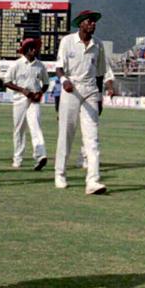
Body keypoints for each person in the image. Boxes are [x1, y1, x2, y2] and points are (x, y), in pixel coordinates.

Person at [54, 10, 115, 195]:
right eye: (89, 21)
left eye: (94, 22)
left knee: (92, 138)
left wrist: (108, 88)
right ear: (80, 24)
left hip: (90, 91)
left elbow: (103, 72)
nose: (93, 24)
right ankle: (60, 173)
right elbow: (59, 68)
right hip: (71, 89)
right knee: (67, 134)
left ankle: (93, 181)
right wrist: (64, 81)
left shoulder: (98, 45)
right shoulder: (67, 41)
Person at [0, 37, 49, 171]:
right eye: (33, 48)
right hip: (19, 100)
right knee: (19, 130)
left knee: (35, 127)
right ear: (27, 50)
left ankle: (40, 156)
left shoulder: (40, 65)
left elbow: (46, 83)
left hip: (34, 101)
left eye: (35, 48)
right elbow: (7, 82)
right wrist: (22, 90)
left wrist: (40, 92)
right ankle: (17, 159)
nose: (35, 50)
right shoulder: (16, 65)